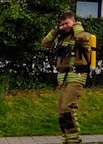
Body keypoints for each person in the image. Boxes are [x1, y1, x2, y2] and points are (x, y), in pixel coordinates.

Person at [42, 11, 92, 144]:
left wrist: (77, 25)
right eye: (62, 24)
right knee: (62, 111)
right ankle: (67, 139)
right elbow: (45, 42)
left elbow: (81, 37)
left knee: (67, 108)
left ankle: (74, 140)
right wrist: (57, 30)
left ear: (74, 21)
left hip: (76, 76)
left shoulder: (83, 35)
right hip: (63, 78)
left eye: (67, 23)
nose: (64, 26)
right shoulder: (62, 38)